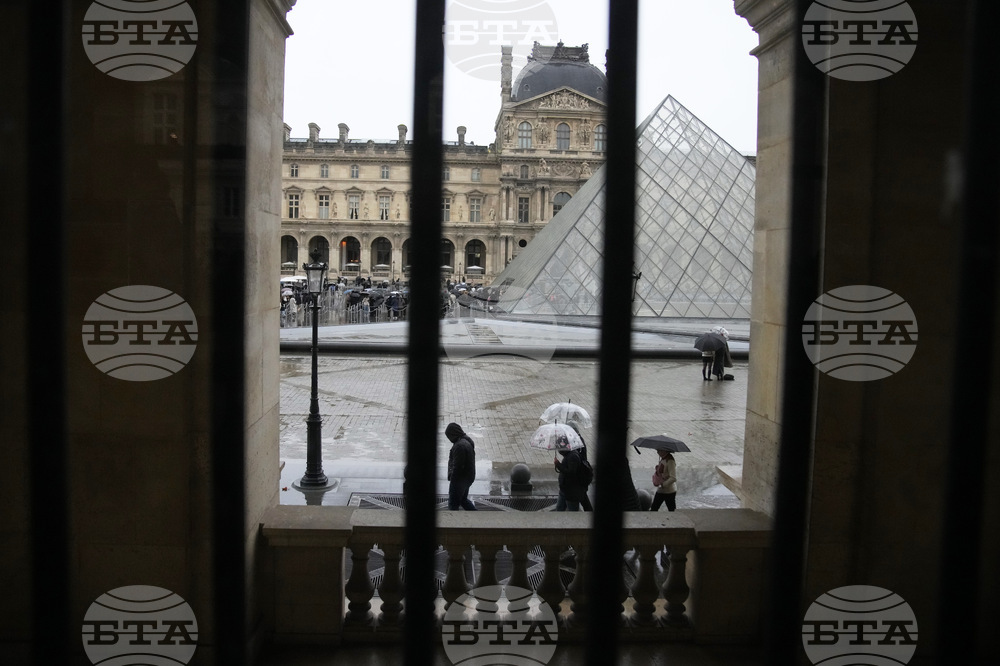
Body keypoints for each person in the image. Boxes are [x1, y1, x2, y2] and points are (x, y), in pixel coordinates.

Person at [446, 423, 477, 510]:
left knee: (453, 504)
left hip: (459, 480)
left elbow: (457, 467)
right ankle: (478, 516)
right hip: (467, 477)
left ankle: (453, 521)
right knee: (463, 500)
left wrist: (453, 480)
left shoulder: (459, 446)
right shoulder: (467, 441)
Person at [554, 437, 587, 512]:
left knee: (573, 511)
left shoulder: (573, 457)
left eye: (559, 448)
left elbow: (570, 473)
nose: (559, 450)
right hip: (564, 490)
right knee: (559, 509)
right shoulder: (568, 455)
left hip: (571, 492)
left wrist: (558, 465)